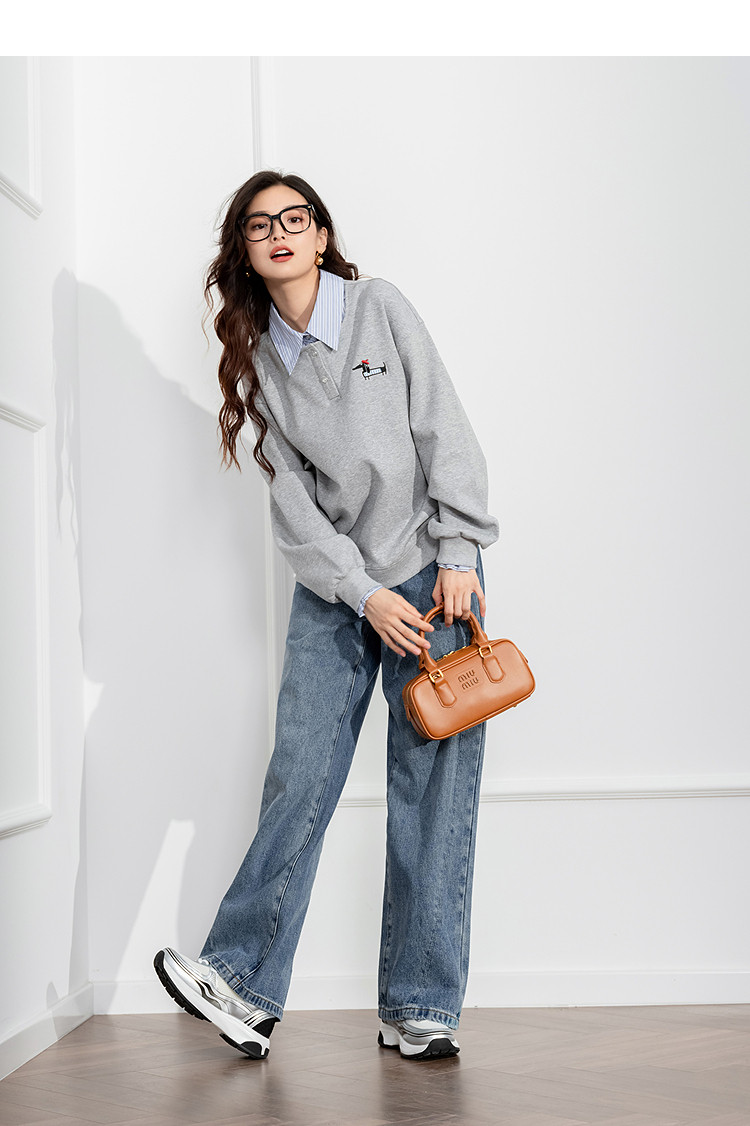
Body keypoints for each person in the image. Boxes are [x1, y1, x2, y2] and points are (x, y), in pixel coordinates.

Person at [154, 170, 500, 1062]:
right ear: (245, 251)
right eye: (259, 224)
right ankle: (242, 986)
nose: (279, 232)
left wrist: (459, 552)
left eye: (294, 218)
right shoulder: (257, 358)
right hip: (342, 591)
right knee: (299, 778)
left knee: (432, 794)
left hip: (435, 577)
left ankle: (420, 1005)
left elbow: (445, 429)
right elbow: (296, 506)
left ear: (319, 235)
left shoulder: (380, 308)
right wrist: (362, 593)